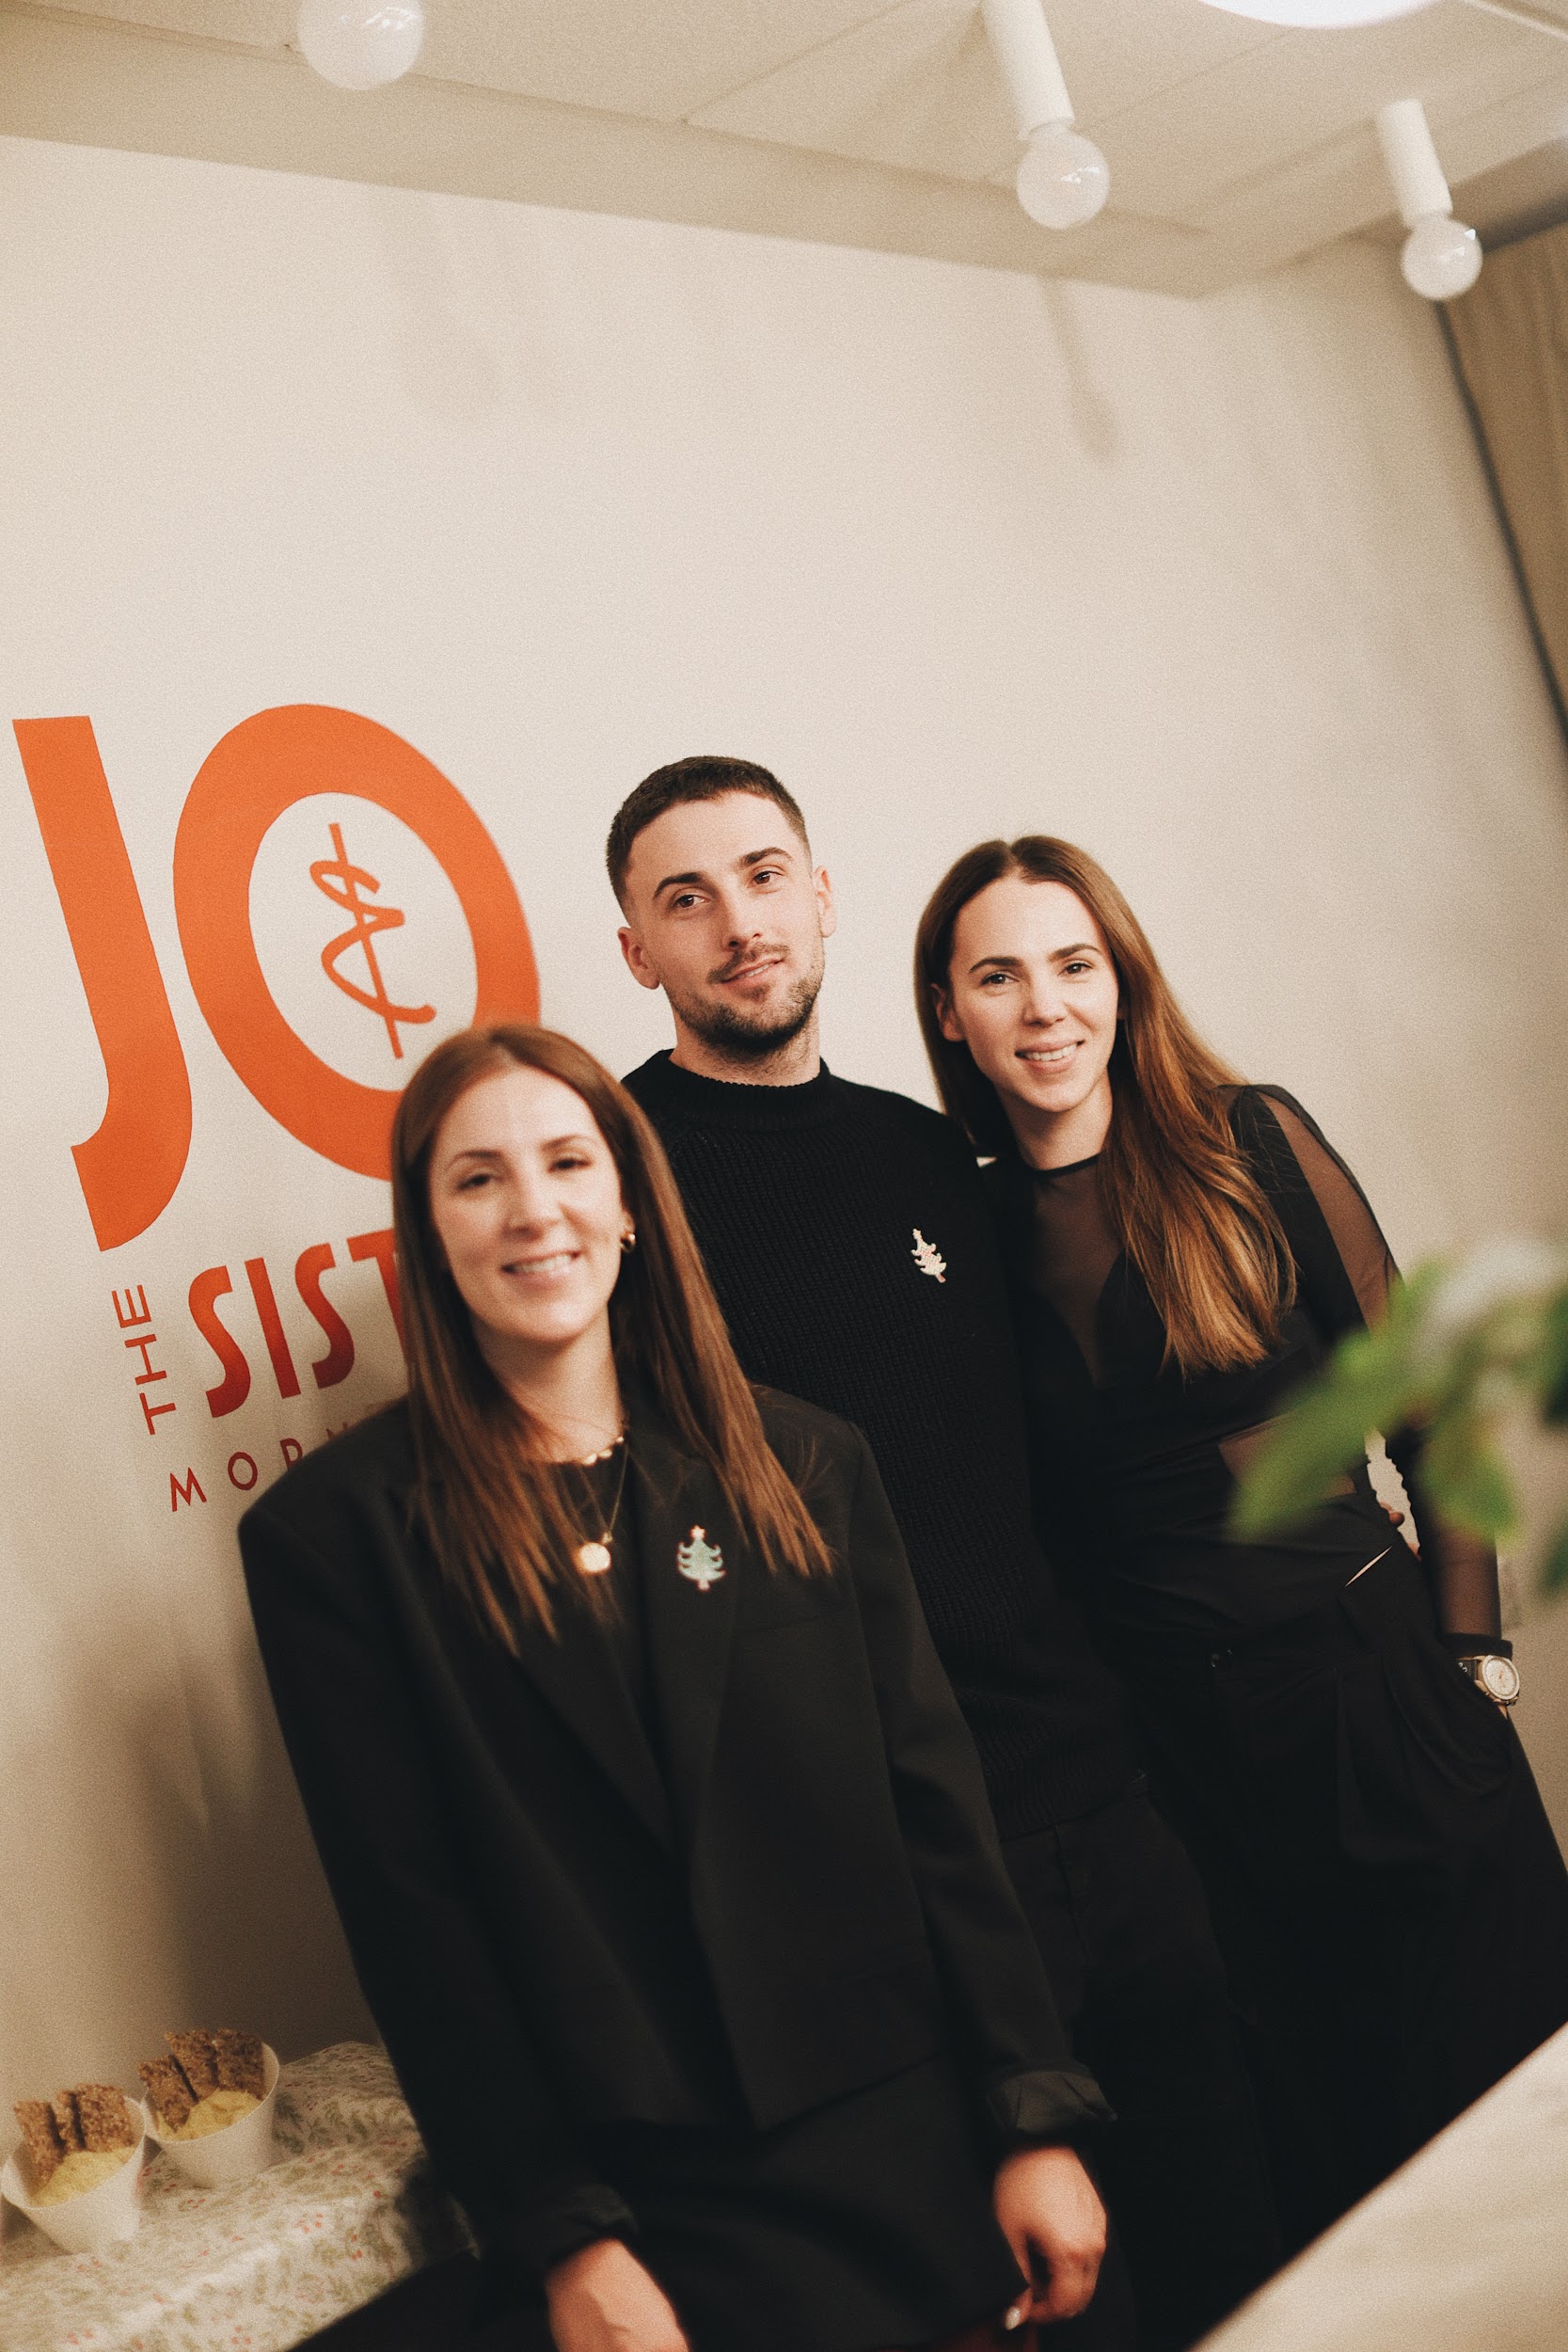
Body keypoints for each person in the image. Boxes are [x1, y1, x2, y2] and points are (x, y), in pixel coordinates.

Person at [240, 1021, 1115, 2352]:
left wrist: (1027, 2112)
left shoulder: (806, 1459)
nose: (534, 1211)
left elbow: (934, 1805)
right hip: (645, 2204)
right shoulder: (335, 1542)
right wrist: (562, 2236)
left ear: (632, 1204)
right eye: (477, 1179)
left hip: (904, 2142)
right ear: (427, 1232)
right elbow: (421, 1932)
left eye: (567, 1163)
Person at [610, 758, 1281, 2352]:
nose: (739, 924)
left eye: (765, 876)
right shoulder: (623, 1181)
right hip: (911, 1871)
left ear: (825, 899)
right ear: (636, 948)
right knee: (1057, 2311)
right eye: (685, 898)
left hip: (1108, 1806)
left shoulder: (927, 1156)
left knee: (1248, 2251)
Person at [915, 832, 1568, 2249]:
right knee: (1340, 2175)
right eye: (1001, 976)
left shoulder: (1246, 1141)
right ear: (951, 1013)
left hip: (1378, 1695)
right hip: (1189, 1779)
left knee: (1517, 2136)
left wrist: (1470, 1651)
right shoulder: (965, 1234)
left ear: (1125, 980)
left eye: (1075, 965)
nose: (1045, 1008)